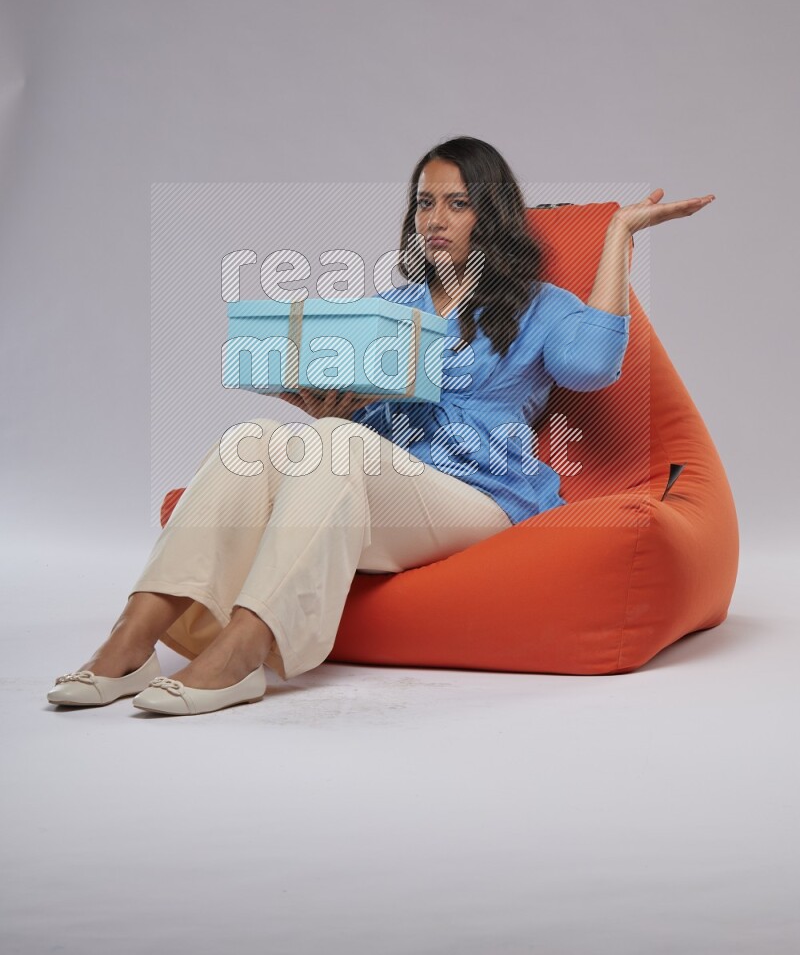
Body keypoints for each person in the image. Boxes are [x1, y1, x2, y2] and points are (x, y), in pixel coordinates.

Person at [47, 137, 715, 715]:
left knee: (338, 445)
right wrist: (328, 407)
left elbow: (595, 363)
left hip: (482, 497)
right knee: (252, 439)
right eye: (425, 202)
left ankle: (246, 649)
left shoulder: (540, 305)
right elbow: (351, 427)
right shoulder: (389, 307)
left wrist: (618, 237)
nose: (436, 218)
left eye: (457, 202)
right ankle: (131, 640)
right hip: (376, 488)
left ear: (493, 214)